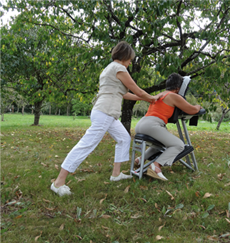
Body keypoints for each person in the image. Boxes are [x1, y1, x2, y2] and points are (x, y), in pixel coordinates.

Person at [51, 41, 160, 196]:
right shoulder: (119, 68)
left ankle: (115, 175)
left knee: (123, 138)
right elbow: (138, 90)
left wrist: (144, 99)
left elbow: (124, 93)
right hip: (105, 112)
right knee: (86, 145)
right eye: (130, 59)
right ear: (125, 56)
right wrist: (152, 98)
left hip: (106, 112)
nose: (130, 63)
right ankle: (58, 183)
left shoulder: (109, 68)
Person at [134, 73, 202, 181]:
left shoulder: (161, 94)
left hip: (141, 124)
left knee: (160, 144)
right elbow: (192, 110)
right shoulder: (174, 96)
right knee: (178, 145)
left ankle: (140, 160)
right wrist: (198, 106)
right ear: (178, 88)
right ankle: (156, 166)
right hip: (152, 125)